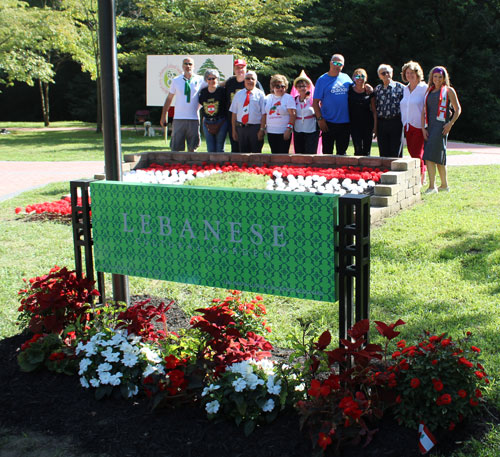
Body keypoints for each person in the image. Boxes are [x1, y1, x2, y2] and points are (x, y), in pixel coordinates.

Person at [421, 66, 461, 193]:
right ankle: (444, 185)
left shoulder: (448, 91)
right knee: (438, 155)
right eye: (435, 76)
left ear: (444, 78)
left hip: (440, 127)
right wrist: (423, 128)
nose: (437, 79)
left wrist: (450, 124)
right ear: (431, 78)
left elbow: (457, 109)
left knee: (429, 155)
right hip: (429, 126)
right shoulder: (429, 91)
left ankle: (432, 186)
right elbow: (423, 112)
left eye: (440, 76)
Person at [160, 57, 205, 152]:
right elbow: (169, 99)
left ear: (194, 66)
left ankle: (191, 166)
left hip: (194, 118)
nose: (188, 66)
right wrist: (163, 115)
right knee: (176, 148)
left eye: (190, 64)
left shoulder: (200, 79)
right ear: (182, 66)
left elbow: (213, 87)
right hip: (178, 118)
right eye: (185, 64)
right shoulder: (176, 80)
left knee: (192, 148)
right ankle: (176, 166)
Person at [313, 54, 352, 155]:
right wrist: (320, 119)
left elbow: (357, 90)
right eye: (335, 63)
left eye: (340, 64)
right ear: (330, 63)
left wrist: (367, 87)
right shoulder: (322, 80)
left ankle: (340, 171)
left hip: (345, 122)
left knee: (342, 152)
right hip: (328, 122)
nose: (337, 65)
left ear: (342, 66)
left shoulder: (346, 78)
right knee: (327, 153)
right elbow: (315, 102)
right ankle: (326, 171)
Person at [223, 59, 264, 152]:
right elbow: (233, 111)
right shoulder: (232, 85)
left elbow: (264, 112)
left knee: (256, 155)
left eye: (242, 67)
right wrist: (233, 129)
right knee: (239, 153)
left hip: (255, 127)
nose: (250, 81)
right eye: (237, 67)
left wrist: (262, 129)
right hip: (239, 126)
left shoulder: (259, 91)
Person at [400, 61, 428, 184]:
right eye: (407, 73)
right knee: (412, 153)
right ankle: (421, 175)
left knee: (417, 154)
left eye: (412, 73)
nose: (409, 75)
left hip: (419, 125)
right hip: (407, 125)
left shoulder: (424, 88)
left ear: (417, 74)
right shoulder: (405, 89)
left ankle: (420, 178)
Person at [374, 64, 404, 157]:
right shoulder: (377, 89)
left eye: (388, 72)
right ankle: (384, 170)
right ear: (379, 76)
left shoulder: (401, 87)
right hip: (382, 123)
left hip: (396, 121)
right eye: (383, 73)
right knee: (383, 151)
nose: (386, 74)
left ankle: (396, 170)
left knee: (396, 150)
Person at [261, 75, 296, 154]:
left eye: (282, 86)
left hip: (284, 132)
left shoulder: (288, 98)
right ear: (273, 87)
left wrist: (289, 129)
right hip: (271, 132)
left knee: (283, 156)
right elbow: (265, 114)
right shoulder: (267, 98)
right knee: (274, 154)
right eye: (277, 86)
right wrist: (262, 129)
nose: (280, 88)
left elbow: (293, 115)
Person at [348, 68, 376, 156]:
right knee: (357, 149)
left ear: (366, 78)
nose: (360, 78)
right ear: (353, 78)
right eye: (357, 76)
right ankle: (356, 169)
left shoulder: (370, 92)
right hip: (354, 124)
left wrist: (375, 127)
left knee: (367, 150)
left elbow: (374, 110)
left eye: (362, 76)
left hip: (368, 124)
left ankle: (367, 169)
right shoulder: (349, 90)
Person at [198, 69, 228, 153]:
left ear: (217, 79)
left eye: (213, 78)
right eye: (209, 78)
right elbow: (201, 104)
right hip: (207, 123)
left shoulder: (222, 91)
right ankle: (211, 166)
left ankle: (220, 166)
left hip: (221, 122)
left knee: (220, 148)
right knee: (210, 149)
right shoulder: (203, 92)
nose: (211, 81)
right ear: (206, 80)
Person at [292, 70, 319, 154]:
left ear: (308, 87)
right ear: (296, 88)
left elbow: (318, 111)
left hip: (311, 129)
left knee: (310, 152)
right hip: (298, 129)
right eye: (299, 86)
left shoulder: (312, 99)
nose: (302, 88)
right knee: (299, 152)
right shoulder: (294, 100)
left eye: (304, 86)